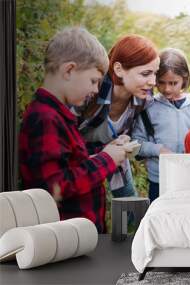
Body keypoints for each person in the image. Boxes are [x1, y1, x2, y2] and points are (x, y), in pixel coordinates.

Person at [19, 27, 128, 233]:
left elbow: (70, 164)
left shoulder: (58, 115)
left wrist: (106, 151)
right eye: (94, 81)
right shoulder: (45, 119)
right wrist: (106, 160)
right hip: (66, 240)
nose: (96, 90)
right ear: (69, 70)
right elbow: (55, 188)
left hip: (78, 238)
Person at [74, 35, 159, 199]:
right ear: (119, 69)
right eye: (146, 73)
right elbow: (62, 133)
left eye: (155, 73)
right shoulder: (91, 90)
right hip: (78, 161)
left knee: (130, 204)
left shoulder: (143, 99)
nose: (153, 81)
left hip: (114, 158)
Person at [132, 48, 190, 202]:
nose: (167, 88)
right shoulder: (149, 107)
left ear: (184, 79)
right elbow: (136, 143)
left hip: (188, 176)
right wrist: (159, 150)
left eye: (173, 83)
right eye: (161, 82)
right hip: (159, 177)